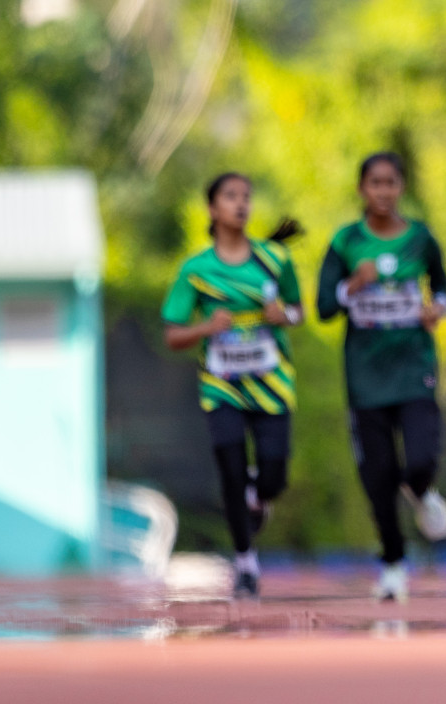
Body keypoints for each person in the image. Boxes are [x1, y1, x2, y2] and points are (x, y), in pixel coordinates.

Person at [318, 152, 446, 603]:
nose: (383, 191)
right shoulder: (345, 242)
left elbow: (442, 287)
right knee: (377, 474)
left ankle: (421, 488)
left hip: (413, 366)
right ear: (362, 189)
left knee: (418, 458)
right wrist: (351, 287)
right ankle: (393, 563)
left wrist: (438, 308)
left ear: (401, 187)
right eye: (374, 183)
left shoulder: (420, 239)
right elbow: (323, 307)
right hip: (366, 375)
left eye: (391, 183)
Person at [161, 173, 304, 599]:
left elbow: (300, 311)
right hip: (222, 387)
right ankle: (245, 563)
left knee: (274, 474)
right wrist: (207, 326)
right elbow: (172, 335)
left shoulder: (274, 260)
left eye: (246, 197)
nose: (241, 204)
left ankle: (261, 493)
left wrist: (285, 316)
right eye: (230, 196)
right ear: (212, 209)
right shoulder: (197, 270)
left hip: (271, 384)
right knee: (230, 467)